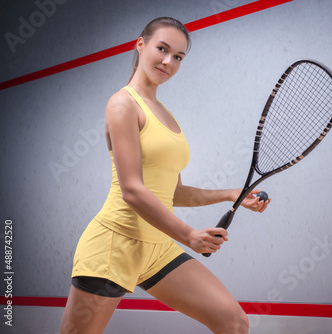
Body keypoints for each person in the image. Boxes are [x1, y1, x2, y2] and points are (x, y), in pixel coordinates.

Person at [60, 17, 270, 334]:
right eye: (162, 49)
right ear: (140, 44)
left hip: (157, 247)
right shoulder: (122, 104)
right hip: (116, 243)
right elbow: (132, 190)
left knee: (233, 322)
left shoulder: (166, 114)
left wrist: (230, 194)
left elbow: (173, 193)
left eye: (178, 57)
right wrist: (189, 236)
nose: (168, 61)